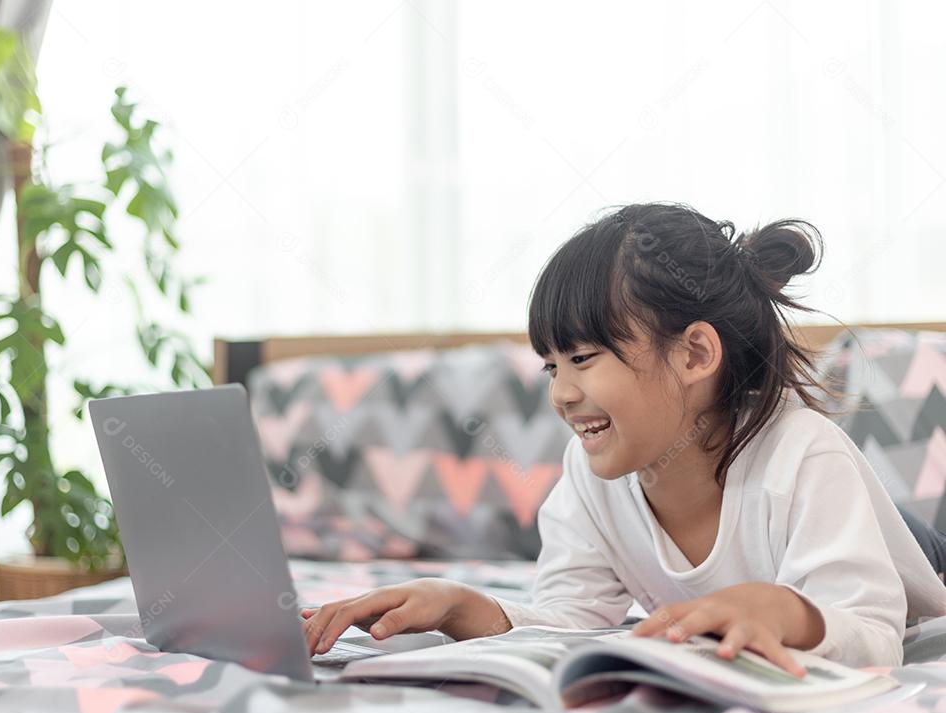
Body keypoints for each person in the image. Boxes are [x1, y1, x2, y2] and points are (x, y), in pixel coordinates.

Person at [301, 203, 946, 674]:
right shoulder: (591, 473)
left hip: (923, 565)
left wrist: (784, 611)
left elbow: (872, 634)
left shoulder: (803, 456)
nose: (561, 394)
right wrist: (458, 606)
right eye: (551, 367)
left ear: (695, 354)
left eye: (583, 358)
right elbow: (571, 619)